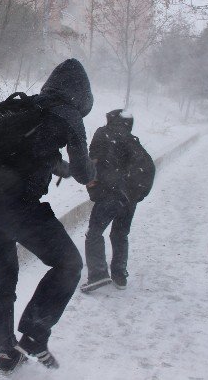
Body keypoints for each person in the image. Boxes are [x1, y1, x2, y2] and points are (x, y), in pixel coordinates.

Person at [0, 59, 96, 374]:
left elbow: (28, 150)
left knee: (5, 280)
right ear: (81, 95)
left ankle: (4, 349)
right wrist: (87, 170)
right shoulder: (68, 114)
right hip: (20, 209)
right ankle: (34, 334)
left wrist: (58, 167)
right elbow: (84, 172)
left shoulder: (25, 107)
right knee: (69, 264)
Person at [81, 109, 154, 293]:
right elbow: (147, 167)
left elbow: (92, 163)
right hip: (130, 196)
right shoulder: (132, 140)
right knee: (120, 234)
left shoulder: (102, 134)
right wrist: (137, 195)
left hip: (111, 192)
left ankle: (98, 275)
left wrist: (94, 186)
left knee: (95, 232)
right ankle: (119, 275)